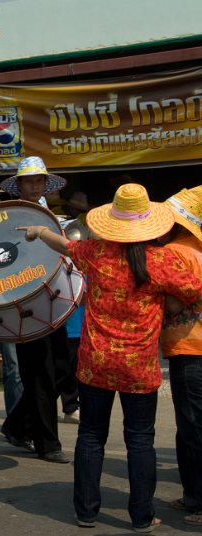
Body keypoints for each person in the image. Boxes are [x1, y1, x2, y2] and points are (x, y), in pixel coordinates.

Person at [17, 183, 202, 532]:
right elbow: (192, 291)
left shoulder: (96, 253)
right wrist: (167, 304)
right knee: (139, 440)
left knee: (90, 435)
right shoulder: (160, 260)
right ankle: (142, 516)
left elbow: (64, 245)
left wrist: (39, 230)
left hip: (95, 363)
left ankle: (86, 511)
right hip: (140, 367)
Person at [0, 156, 72, 463]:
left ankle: (17, 424)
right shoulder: (8, 216)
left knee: (64, 367)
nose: (34, 185)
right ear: (19, 186)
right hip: (25, 301)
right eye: (28, 181)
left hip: (53, 298)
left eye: (39, 181)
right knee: (38, 371)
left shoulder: (52, 216)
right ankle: (47, 442)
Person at [161, 186, 202, 527]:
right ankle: (192, 493)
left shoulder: (175, 252)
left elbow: (174, 303)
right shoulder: (199, 250)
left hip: (189, 347)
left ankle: (199, 499)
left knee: (192, 426)